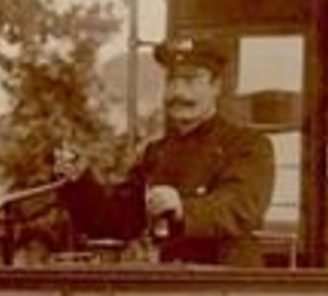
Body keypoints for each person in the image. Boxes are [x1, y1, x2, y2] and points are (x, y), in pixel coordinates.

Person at [55, 35, 275, 267]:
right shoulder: (156, 153)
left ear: (216, 86)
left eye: (191, 80)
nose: (178, 92)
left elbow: (239, 207)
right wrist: (79, 180)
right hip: (165, 288)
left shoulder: (249, 146)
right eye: (172, 80)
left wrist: (183, 209)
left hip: (226, 290)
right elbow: (116, 221)